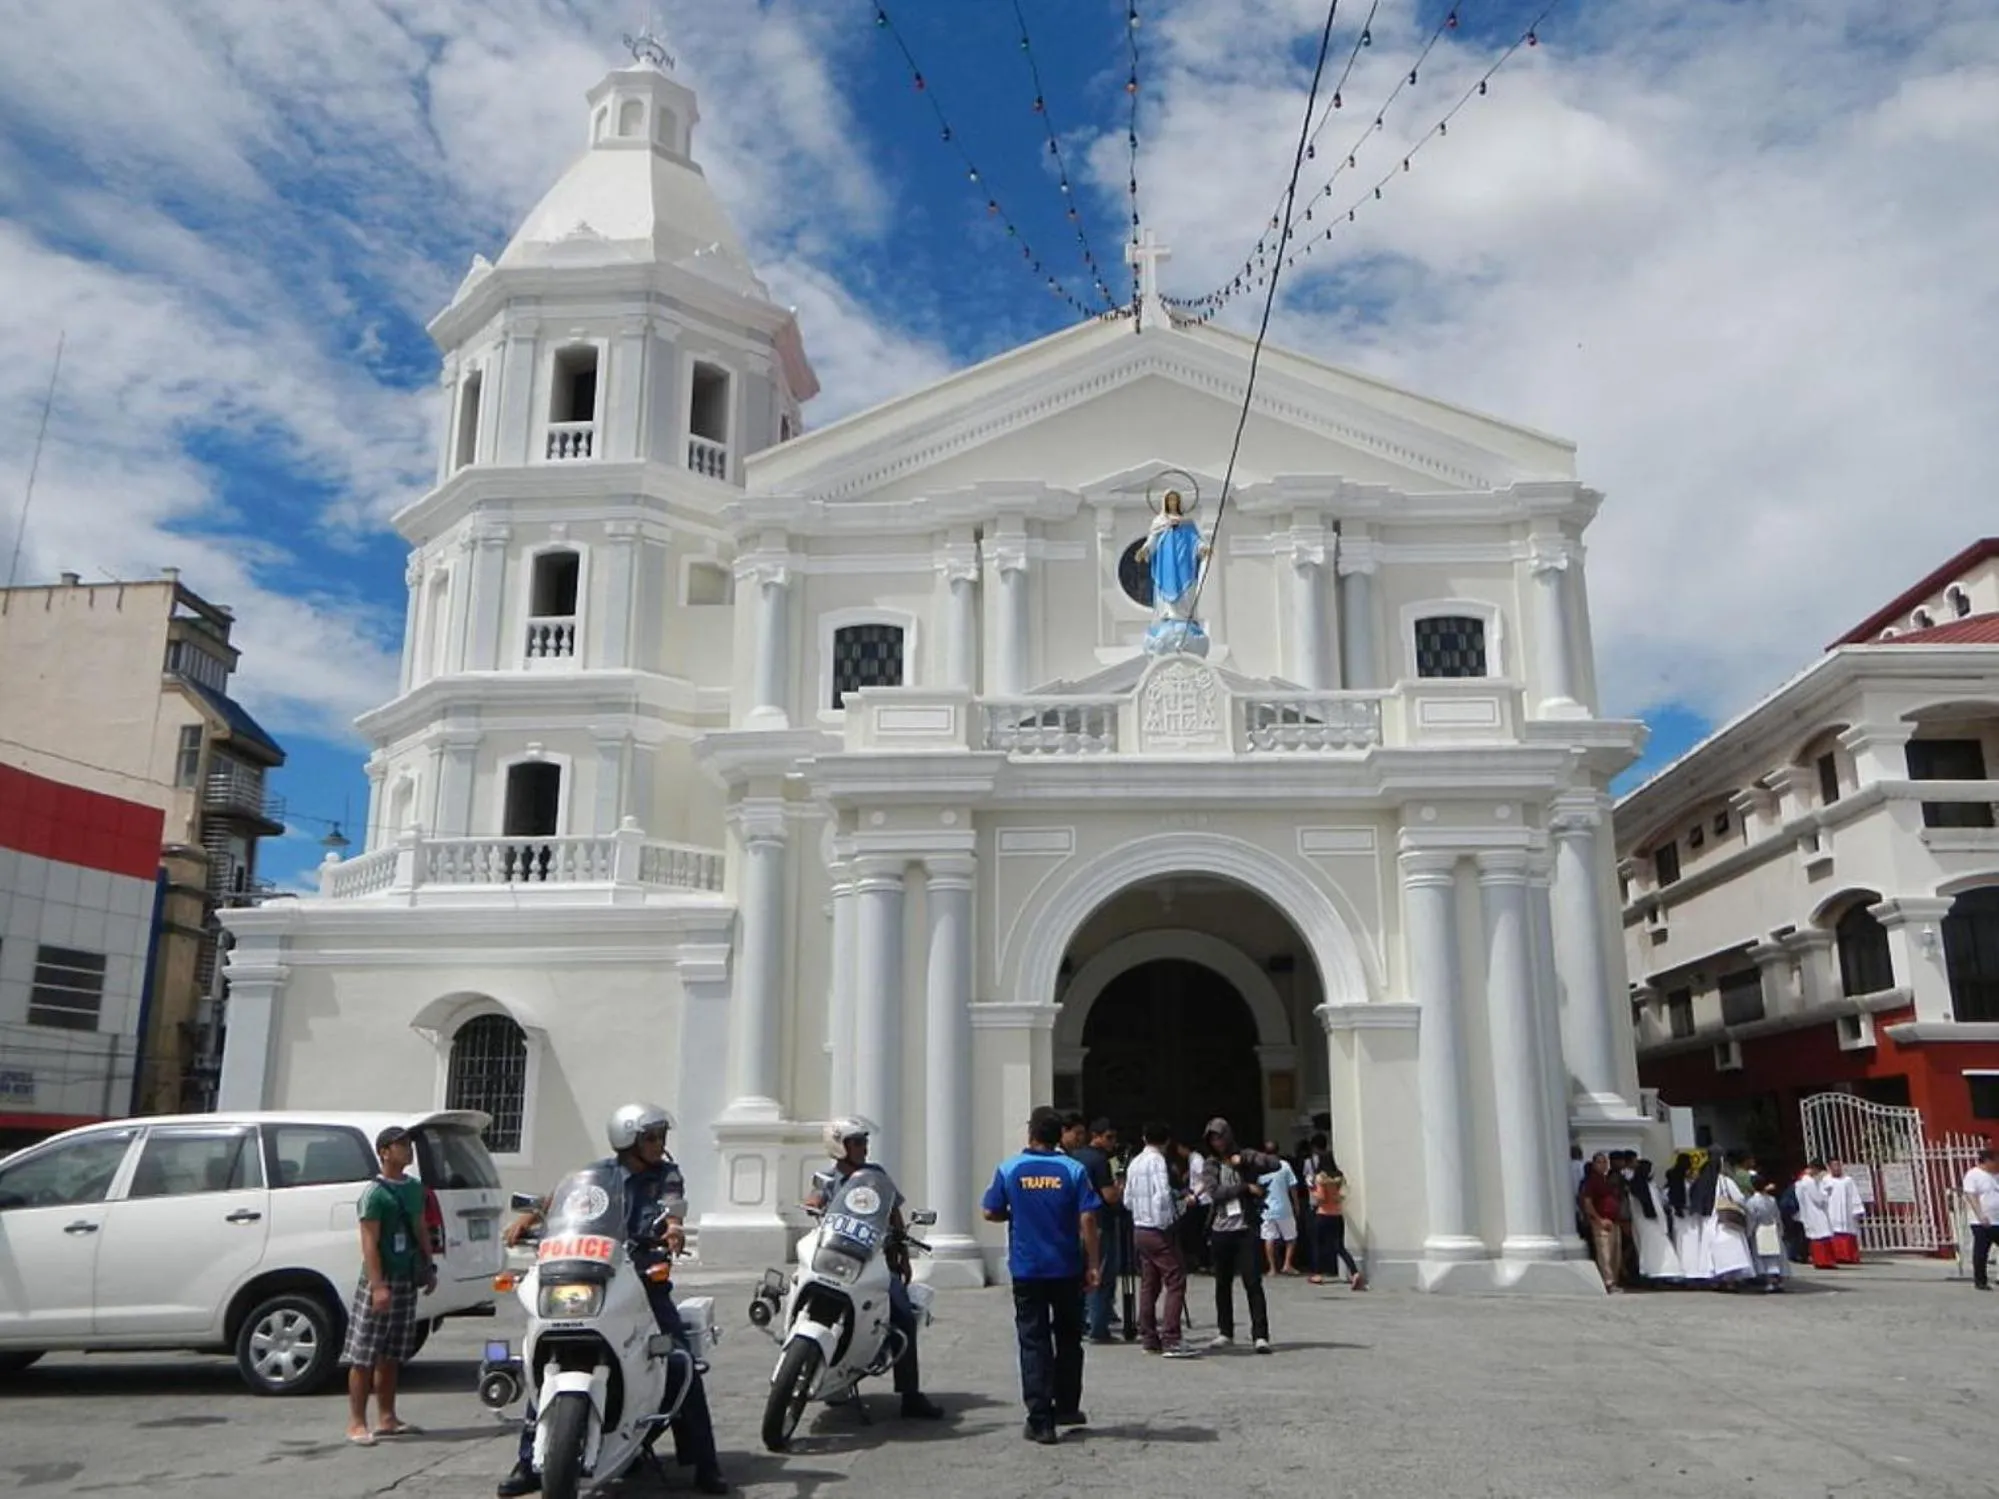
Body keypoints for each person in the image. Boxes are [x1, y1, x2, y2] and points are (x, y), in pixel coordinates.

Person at [496, 1104, 726, 1498]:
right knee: (544, 1357)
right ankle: (528, 1462)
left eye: (660, 1137)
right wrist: (529, 1219)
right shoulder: (598, 1175)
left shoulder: (665, 1176)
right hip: (593, 1277)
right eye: (651, 1137)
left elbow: (673, 1209)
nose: (659, 1144)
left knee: (679, 1358)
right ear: (628, 1140)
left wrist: (672, 1229)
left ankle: (706, 1464)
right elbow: (559, 1202)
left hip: (642, 1281)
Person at [803, 1117, 944, 1420]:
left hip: (873, 1259)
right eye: (857, 1142)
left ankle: (910, 1393)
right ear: (840, 1146)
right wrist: (812, 1204)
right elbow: (813, 1200)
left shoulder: (875, 1175)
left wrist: (902, 1253)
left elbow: (893, 1212)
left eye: (864, 1141)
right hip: (835, 1257)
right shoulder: (826, 1179)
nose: (864, 1148)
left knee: (903, 1313)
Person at [983, 1106, 1103, 1444]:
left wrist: (1015, 1213)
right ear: (1058, 1135)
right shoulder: (1073, 1169)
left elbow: (989, 1210)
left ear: (1030, 1133)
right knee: (1068, 1338)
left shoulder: (1010, 1169)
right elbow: (1089, 1220)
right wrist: (1093, 1264)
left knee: (1033, 1341)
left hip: (1027, 1268)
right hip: (1066, 1267)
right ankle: (1066, 1405)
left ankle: (1040, 1418)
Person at [342, 1126, 437, 1445]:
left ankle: (387, 1417)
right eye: (400, 1145)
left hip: (406, 1277)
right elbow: (369, 1243)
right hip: (380, 1279)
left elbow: (420, 1228)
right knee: (365, 1353)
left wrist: (428, 1264)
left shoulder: (414, 1189)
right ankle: (356, 1422)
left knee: (393, 1352)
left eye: (408, 1145)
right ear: (384, 1151)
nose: (407, 1150)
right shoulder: (375, 1194)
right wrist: (377, 1285)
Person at [1196, 1118, 1281, 1351]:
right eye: (1212, 1138)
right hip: (1221, 1228)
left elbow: (1274, 1164)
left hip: (1245, 1228)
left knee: (1252, 1281)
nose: (1217, 1142)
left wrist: (1246, 1160)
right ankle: (1225, 1331)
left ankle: (1260, 1335)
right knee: (1222, 1283)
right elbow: (1215, 1192)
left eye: (1220, 1136)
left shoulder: (1243, 1156)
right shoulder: (1211, 1164)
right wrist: (1244, 1188)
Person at [1124, 1120, 1198, 1358]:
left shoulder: (1135, 1162)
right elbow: (1163, 1195)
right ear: (1166, 1141)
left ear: (1144, 1137)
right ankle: (1171, 1338)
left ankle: (1148, 1336)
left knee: (1150, 1282)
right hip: (1157, 1228)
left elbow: (1127, 1198)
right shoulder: (1157, 1162)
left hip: (1139, 1227)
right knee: (1176, 1278)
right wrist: (1174, 1213)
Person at [1062, 1115, 1124, 1344]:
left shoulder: (1075, 1158)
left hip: (1075, 1223)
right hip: (1099, 1222)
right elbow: (1109, 1195)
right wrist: (1120, 1188)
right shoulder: (1099, 1161)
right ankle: (1099, 1327)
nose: (1112, 1142)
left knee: (1079, 1275)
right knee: (1101, 1275)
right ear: (1096, 1136)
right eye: (1109, 1137)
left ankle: (1081, 1321)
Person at [1627, 1159, 1682, 1285]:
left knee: (1658, 1245)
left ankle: (1663, 1272)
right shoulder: (1638, 1186)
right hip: (1647, 1221)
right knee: (1657, 1246)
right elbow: (1646, 1204)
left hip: (1654, 1221)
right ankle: (1658, 1272)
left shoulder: (1649, 1185)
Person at [1307, 1165, 1363, 1289]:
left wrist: (1312, 1189)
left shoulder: (1321, 1178)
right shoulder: (1339, 1177)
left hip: (1323, 1214)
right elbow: (1342, 1196)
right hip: (1337, 1215)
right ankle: (1354, 1272)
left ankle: (1317, 1274)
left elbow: (1321, 1198)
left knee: (1317, 1244)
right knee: (1339, 1247)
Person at [1709, 1153, 1757, 1291]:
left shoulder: (1706, 1181)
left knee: (1716, 1250)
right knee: (1733, 1250)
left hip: (1712, 1220)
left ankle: (1719, 1279)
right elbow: (1739, 1198)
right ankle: (1731, 1281)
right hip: (1728, 1219)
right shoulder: (1725, 1181)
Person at [1578, 1152, 1625, 1294]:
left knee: (1615, 1253)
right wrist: (1599, 1220)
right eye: (1600, 1162)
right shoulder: (1591, 1181)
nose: (1603, 1165)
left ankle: (1614, 1280)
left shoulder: (1606, 1180)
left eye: (1605, 1162)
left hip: (1614, 1221)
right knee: (1605, 1253)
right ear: (1594, 1164)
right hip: (1602, 1222)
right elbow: (1587, 1202)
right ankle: (1608, 1281)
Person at [1258, 1149, 1301, 1277]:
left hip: (1266, 1209)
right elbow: (1293, 1186)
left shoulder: (1260, 1167)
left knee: (1268, 1238)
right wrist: (1296, 1204)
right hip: (1284, 1208)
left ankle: (1272, 1268)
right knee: (1291, 1238)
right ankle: (1287, 1264)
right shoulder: (1284, 1165)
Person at [1963, 1147, 1999, 1291]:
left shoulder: (1996, 1175)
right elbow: (1971, 1196)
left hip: (1997, 1218)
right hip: (1981, 1220)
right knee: (1982, 1250)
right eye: (1995, 1161)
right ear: (1988, 1160)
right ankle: (1980, 1280)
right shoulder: (1973, 1175)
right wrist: (1980, 1214)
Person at [1745, 1176, 1788, 1292]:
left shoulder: (1752, 1202)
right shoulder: (1772, 1200)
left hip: (1760, 1229)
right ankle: (1779, 1281)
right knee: (1775, 1255)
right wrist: (1780, 1229)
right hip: (1772, 1228)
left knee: (1763, 1256)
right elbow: (1777, 1216)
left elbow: (1751, 1219)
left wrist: (1748, 1233)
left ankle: (1770, 1282)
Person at [1794, 1161, 1836, 1270]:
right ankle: (1823, 1261)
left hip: (1809, 1211)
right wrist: (1825, 1195)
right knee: (1821, 1236)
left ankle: (1821, 1260)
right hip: (1816, 1211)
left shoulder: (1801, 1182)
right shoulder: (1809, 1182)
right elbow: (1817, 1198)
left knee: (1817, 1236)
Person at [1824, 1160, 1866, 1264]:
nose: (1837, 1168)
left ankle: (1849, 1256)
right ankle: (1835, 1256)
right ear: (1829, 1168)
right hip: (1831, 1211)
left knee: (1847, 1232)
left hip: (1846, 1211)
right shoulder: (1826, 1180)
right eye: (1834, 1166)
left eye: (1838, 1165)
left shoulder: (1848, 1180)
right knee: (1833, 1232)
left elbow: (1854, 1195)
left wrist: (1857, 1209)